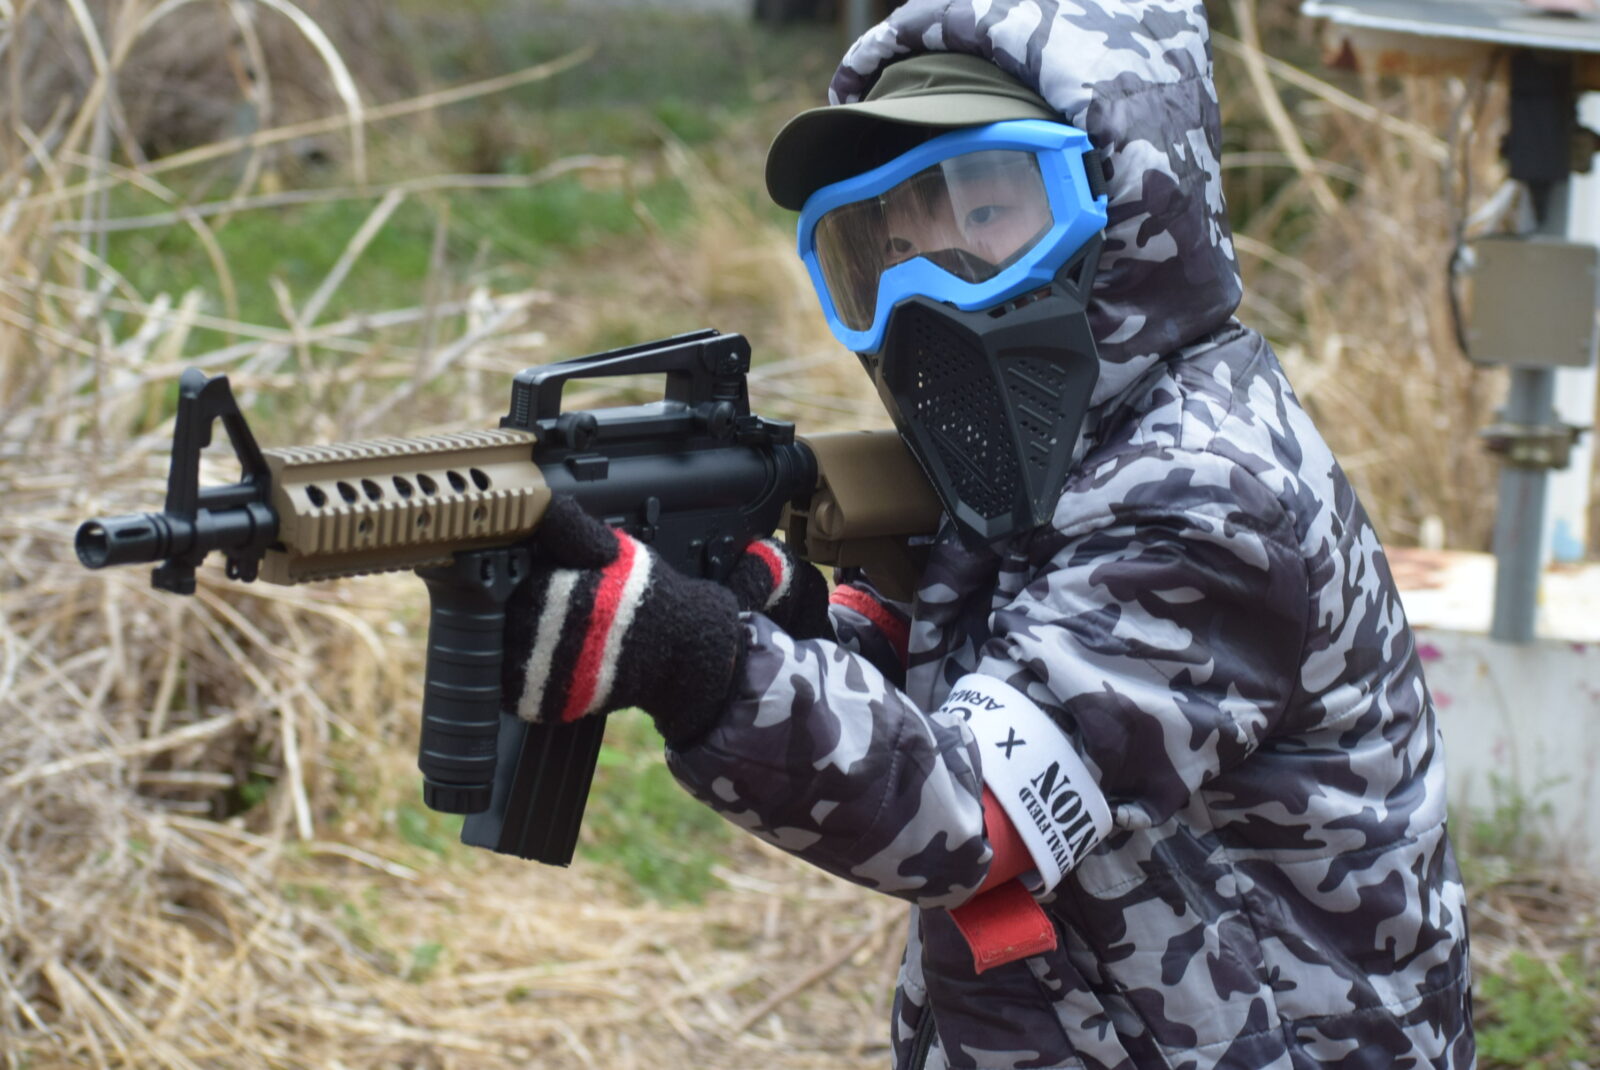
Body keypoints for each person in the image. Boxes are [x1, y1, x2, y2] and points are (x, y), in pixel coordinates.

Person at [502, 1, 1476, 1066]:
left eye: (986, 211)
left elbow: (971, 815)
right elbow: (999, 688)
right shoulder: (1061, 448)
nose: (931, 282)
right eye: (890, 244)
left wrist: (697, 658)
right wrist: (807, 629)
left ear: (1128, 199)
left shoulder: (1205, 493)